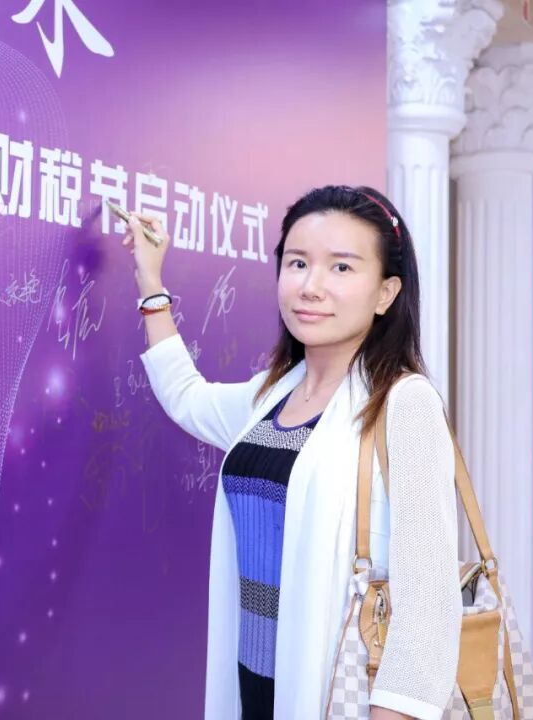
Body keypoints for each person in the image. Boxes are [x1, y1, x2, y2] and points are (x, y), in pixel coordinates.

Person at [124, 186, 461, 720]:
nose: (311, 286)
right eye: (298, 263)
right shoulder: (275, 393)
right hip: (254, 686)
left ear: (386, 292)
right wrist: (150, 281)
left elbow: (429, 605)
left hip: (338, 697)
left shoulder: (404, 403)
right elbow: (188, 398)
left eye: (342, 268)